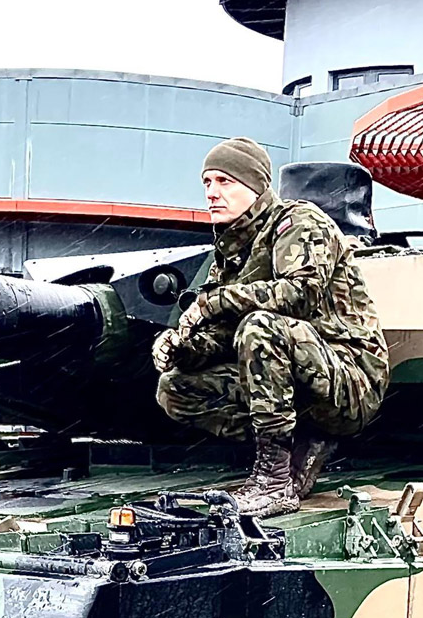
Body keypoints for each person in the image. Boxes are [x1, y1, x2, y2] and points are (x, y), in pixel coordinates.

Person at [152, 137, 390, 517]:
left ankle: (274, 481)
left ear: (256, 185)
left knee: (260, 327)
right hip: (292, 382)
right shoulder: (231, 250)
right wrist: (186, 349)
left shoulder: (299, 221)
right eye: (207, 182)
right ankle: (300, 441)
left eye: (224, 181)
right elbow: (223, 335)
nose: (211, 192)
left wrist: (214, 302)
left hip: (348, 380)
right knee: (175, 388)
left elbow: (300, 294)